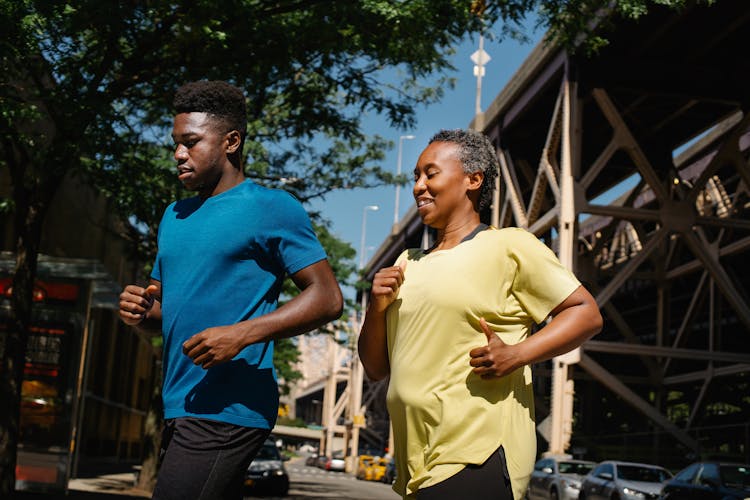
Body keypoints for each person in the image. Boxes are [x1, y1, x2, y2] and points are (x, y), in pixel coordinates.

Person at [118, 80, 343, 500]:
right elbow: (168, 313)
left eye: (190, 142)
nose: (178, 154)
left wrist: (242, 333)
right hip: (179, 402)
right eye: (175, 143)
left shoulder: (272, 207)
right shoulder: (174, 215)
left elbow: (327, 298)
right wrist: (140, 311)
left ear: (231, 141)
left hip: (230, 406)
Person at [358, 129, 603, 500]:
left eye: (431, 173)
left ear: (473, 180)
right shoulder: (407, 262)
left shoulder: (510, 246)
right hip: (419, 460)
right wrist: (376, 311)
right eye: (415, 177)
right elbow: (376, 368)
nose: (419, 186)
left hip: (479, 452)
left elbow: (585, 312)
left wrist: (518, 354)